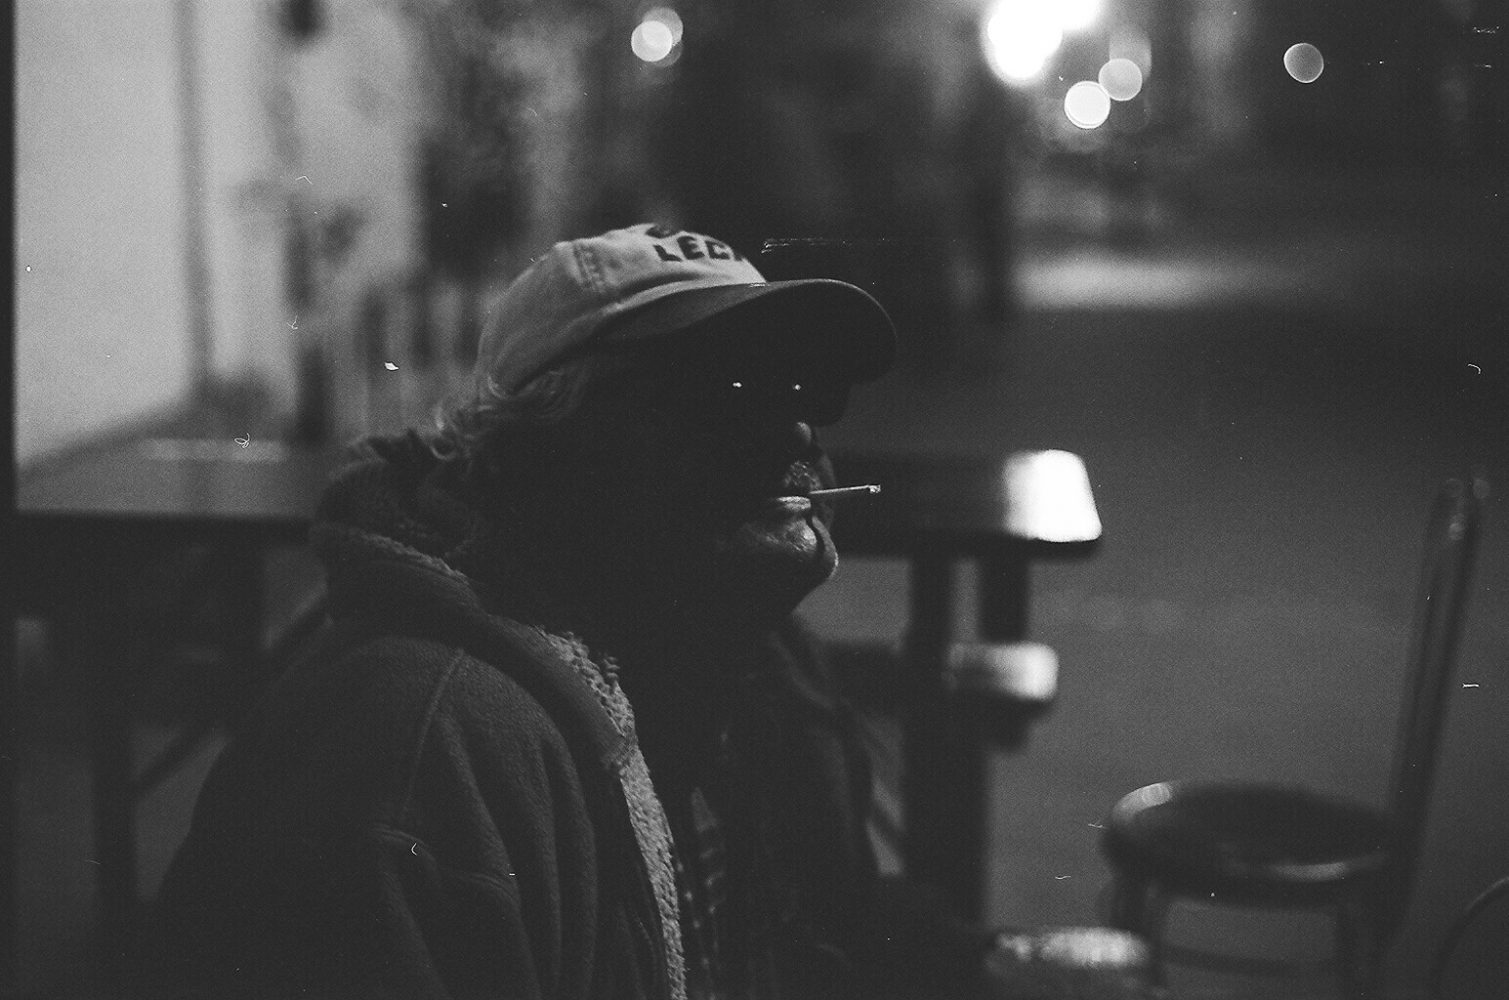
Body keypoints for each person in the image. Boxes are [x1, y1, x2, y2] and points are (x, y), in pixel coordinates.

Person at [156, 223, 1151, 1000]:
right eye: (723, 390)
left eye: (803, 386)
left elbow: (815, 926)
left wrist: (980, 960)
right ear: (540, 451)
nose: (794, 430)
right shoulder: (425, 756)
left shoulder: (752, 655)